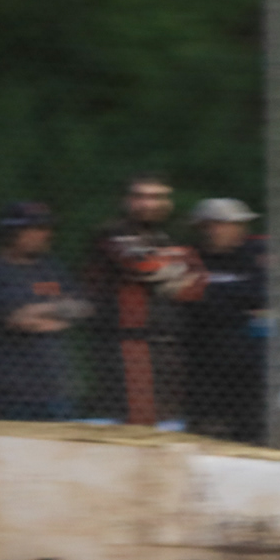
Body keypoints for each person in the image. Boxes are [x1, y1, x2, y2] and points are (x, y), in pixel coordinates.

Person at [84, 173, 206, 427]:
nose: (149, 203)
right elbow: (142, 266)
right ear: (127, 201)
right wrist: (177, 264)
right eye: (141, 197)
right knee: (138, 421)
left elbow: (197, 283)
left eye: (158, 197)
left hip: (169, 342)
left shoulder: (167, 237)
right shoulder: (113, 233)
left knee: (169, 419)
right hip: (130, 341)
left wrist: (168, 265)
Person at [0, 202, 92, 420]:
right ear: (12, 232)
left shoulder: (51, 268)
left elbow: (83, 308)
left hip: (58, 387)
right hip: (14, 390)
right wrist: (59, 310)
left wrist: (40, 312)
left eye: (47, 228)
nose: (45, 235)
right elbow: (17, 319)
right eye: (36, 228)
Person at [185, 198, 267, 443]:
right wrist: (237, 302)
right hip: (202, 360)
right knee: (205, 429)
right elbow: (188, 300)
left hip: (247, 363)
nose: (238, 230)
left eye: (239, 224)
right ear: (205, 227)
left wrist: (210, 294)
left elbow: (262, 294)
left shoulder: (253, 256)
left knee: (249, 429)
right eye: (228, 224)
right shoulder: (190, 257)